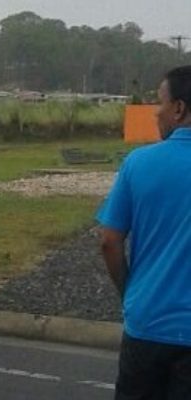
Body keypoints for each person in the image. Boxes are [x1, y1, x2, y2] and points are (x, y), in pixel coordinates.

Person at [98, 65, 191, 400]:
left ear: (179, 109)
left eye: (160, 102)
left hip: (147, 324)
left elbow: (109, 241)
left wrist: (131, 293)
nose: (156, 111)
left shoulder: (138, 163)